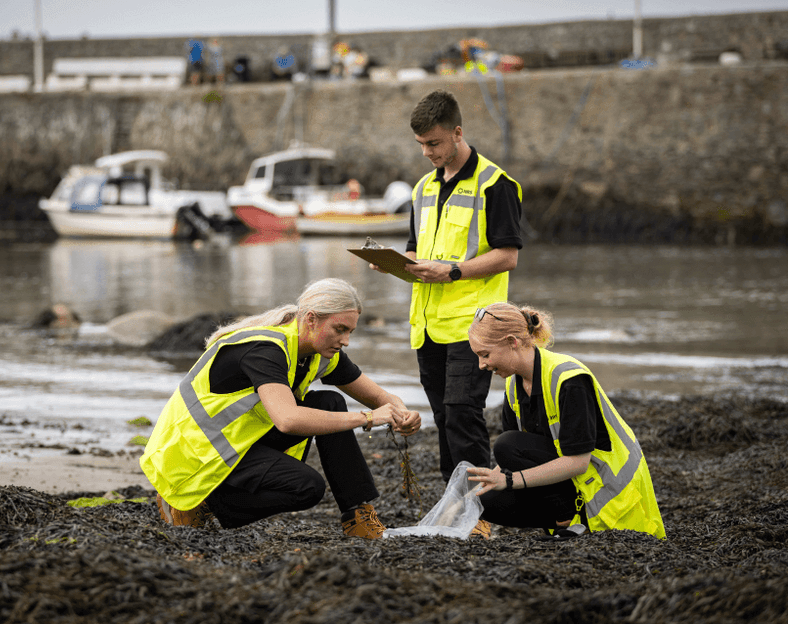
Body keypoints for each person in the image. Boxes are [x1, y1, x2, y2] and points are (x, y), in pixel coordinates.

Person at [139, 278, 422, 539]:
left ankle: (357, 516)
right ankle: (200, 503)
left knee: (330, 402)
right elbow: (287, 420)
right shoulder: (266, 349)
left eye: (350, 331)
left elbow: (380, 397)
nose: (346, 340)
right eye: (340, 329)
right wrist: (368, 418)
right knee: (307, 488)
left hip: (237, 443)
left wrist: (401, 412)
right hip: (194, 454)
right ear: (310, 319)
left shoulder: (318, 352)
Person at [372, 88, 522, 539]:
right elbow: (419, 249)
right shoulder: (422, 187)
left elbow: (508, 255)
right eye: (421, 145)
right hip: (428, 326)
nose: (428, 153)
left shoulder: (496, 185)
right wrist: (404, 264)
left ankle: (482, 516)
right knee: (444, 416)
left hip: (473, 327)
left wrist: (453, 271)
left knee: (462, 413)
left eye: (434, 143)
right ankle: (457, 507)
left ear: (458, 133)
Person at [464, 302, 666, 540]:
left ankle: (571, 521)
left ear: (512, 342)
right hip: (573, 485)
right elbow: (512, 459)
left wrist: (508, 480)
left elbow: (578, 463)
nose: (481, 365)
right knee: (484, 500)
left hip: (611, 500)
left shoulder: (569, 379)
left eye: (484, 355)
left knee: (506, 444)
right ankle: (564, 520)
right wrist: (482, 489)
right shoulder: (513, 385)